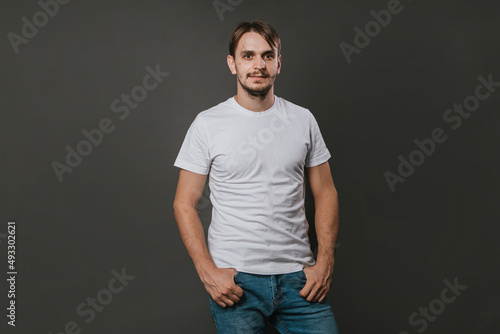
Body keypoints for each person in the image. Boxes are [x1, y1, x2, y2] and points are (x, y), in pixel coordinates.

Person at [173, 19, 340, 334]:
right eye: (247, 55)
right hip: (237, 282)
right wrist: (207, 271)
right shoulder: (208, 123)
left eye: (267, 55)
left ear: (279, 62)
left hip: (300, 280)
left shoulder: (303, 120)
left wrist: (325, 261)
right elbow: (184, 202)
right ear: (232, 64)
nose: (258, 64)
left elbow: (326, 192)